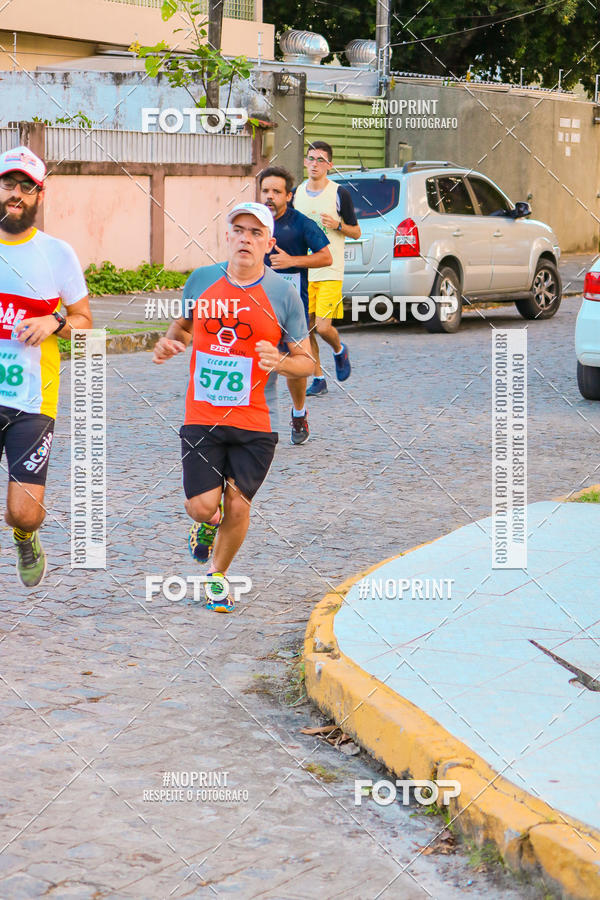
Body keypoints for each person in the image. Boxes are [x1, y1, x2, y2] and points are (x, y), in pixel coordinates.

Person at [152, 201, 313, 613]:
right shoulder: (201, 281)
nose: (246, 238)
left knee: (239, 505)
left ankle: (217, 578)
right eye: (239, 230)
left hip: (256, 420)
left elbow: (308, 362)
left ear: (269, 244)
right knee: (203, 507)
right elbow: (184, 325)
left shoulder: (283, 294)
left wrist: (278, 360)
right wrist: (173, 341)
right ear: (228, 237)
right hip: (202, 414)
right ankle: (205, 526)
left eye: (256, 233)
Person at [0, 146, 92, 588]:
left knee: (24, 510)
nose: (15, 194)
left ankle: (24, 535)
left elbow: (84, 321)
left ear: (40, 195)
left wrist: (54, 321)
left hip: (32, 403)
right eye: (8, 184)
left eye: (25, 187)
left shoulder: (58, 254)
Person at [259, 165, 332, 445]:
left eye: (276, 192)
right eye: (265, 191)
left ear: (288, 196)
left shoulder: (301, 223)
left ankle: (299, 413)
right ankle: (259, 423)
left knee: (293, 364)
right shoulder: (255, 223)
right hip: (259, 303)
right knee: (258, 362)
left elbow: (326, 257)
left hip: (292, 307)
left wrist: (293, 261)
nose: (270, 197)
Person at [292, 140, 361, 397]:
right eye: (311, 158)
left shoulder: (339, 194)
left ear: (330, 165)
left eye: (321, 160)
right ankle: (318, 377)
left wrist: (338, 225)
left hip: (330, 269)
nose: (315, 164)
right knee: (305, 328)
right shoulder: (296, 193)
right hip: (303, 270)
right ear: (305, 162)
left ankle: (339, 350)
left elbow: (356, 232)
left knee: (322, 327)